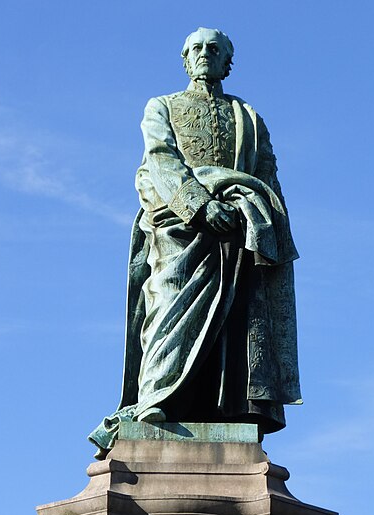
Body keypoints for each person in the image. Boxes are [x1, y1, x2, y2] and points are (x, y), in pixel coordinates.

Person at [89, 27, 301, 457]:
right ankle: (156, 400)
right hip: (179, 225)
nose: (205, 54)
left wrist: (258, 213)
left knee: (234, 324)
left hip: (239, 229)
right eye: (197, 49)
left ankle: (226, 411)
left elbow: (267, 175)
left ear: (227, 62)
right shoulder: (162, 106)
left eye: (215, 49)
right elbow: (161, 159)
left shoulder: (249, 117)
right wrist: (200, 207)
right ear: (186, 60)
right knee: (168, 310)